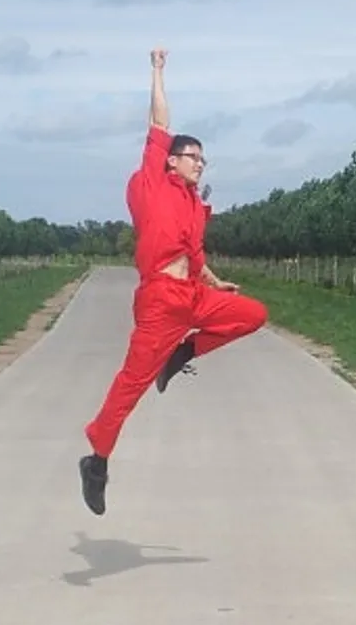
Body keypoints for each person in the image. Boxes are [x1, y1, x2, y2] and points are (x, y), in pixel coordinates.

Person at [78, 47, 268, 516]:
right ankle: (97, 460)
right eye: (192, 156)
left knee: (253, 315)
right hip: (160, 301)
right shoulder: (151, 183)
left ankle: (182, 354)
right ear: (170, 160)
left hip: (194, 294)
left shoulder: (192, 204)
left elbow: (194, 256)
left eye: (203, 159)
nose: (199, 163)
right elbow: (159, 120)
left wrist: (216, 282)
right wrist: (158, 72)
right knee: (131, 384)